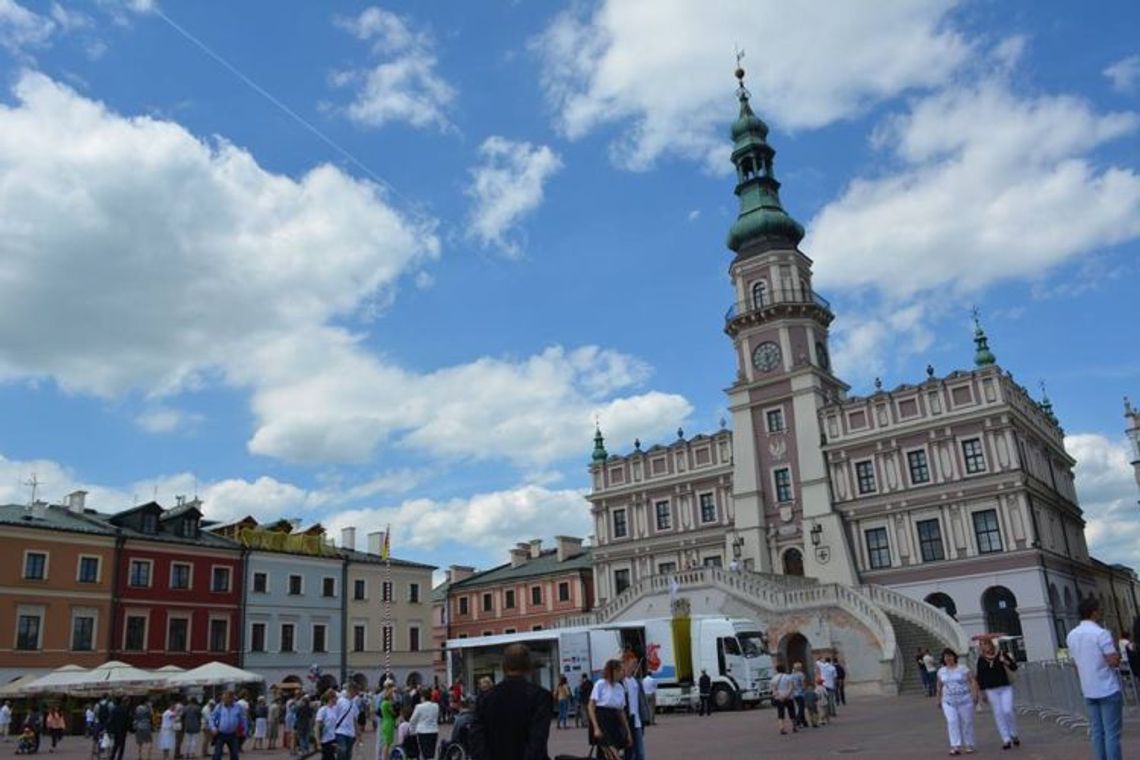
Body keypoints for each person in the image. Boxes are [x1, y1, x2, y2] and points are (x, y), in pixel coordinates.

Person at [1067, 597, 1123, 760]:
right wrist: (1117, 657)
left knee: (1097, 732)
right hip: (1107, 687)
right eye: (1099, 609)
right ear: (1094, 612)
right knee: (1112, 733)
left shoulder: (1072, 635)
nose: (1101, 612)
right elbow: (1113, 660)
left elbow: (1075, 663)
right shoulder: (1101, 633)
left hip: (1089, 688)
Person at [976, 638, 1020, 750]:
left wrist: (1004, 661)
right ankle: (1006, 739)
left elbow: (1014, 667)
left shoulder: (1001, 654)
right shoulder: (981, 660)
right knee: (998, 713)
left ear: (990, 644)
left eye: (985, 644)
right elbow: (980, 677)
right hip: (991, 689)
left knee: (1007, 710)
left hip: (1005, 687)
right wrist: (982, 693)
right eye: (981, 645)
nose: (983, 646)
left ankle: (1013, 733)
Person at [935, 648, 979, 756]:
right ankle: (955, 745)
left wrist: (975, 694)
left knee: (967, 722)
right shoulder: (941, 671)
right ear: (943, 659)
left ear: (954, 657)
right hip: (948, 701)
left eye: (950, 656)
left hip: (964, 699)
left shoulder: (963, 668)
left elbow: (972, 680)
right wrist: (938, 698)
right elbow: (939, 685)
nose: (948, 658)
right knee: (952, 722)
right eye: (946, 657)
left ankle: (969, 744)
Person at [585, 659, 630, 760]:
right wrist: (596, 727)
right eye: (621, 670)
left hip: (614, 722)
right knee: (612, 754)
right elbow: (591, 706)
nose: (623, 673)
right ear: (613, 671)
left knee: (605, 755)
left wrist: (628, 732)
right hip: (601, 720)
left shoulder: (620, 687)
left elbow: (621, 711)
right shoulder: (600, 684)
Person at [621, 654, 650, 760]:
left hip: (638, 721)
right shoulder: (621, 682)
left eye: (636, 663)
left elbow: (642, 701)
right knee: (629, 752)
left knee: (640, 753)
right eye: (633, 663)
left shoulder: (636, 681)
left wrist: (646, 716)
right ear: (625, 663)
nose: (635, 665)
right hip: (627, 721)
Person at [209, 690, 248, 760]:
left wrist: (244, 731)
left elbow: (243, 719)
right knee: (217, 754)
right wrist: (213, 728)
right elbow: (211, 718)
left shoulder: (238, 707)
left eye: (226, 698)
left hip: (233, 734)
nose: (224, 700)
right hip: (220, 734)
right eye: (224, 698)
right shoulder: (219, 707)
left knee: (234, 754)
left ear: (232, 698)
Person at [407, 688, 438, 760]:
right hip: (434, 730)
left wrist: (412, 730)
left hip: (422, 731)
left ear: (423, 697)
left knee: (423, 753)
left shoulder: (419, 707)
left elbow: (412, 720)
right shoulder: (436, 706)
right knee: (431, 753)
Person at [333, 685, 360, 760]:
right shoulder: (340, 701)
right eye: (354, 691)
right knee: (342, 751)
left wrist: (358, 734)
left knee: (348, 754)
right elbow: (335, 715)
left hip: (351, 733)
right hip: (340, 731)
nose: (355, 694)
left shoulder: (353, 704)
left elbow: (355, 720)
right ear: (350, 691)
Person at [769, 664, 795, 735]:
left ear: (776, 670)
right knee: (791, 711)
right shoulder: (788, 677)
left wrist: (779, 696)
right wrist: (786, 695)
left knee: (780, 713)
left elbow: (773, 690)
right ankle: (794, 726)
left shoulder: (774, 678)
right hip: (788, 697)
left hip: (779, 697)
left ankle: (782, 727)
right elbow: (791, 687)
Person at [315, 691, 339, 760]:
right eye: (335, 698)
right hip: (325, 740)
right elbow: (317, 727)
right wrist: (318, 742)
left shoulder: (335, 709)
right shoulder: (323, 710)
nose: (337, 699)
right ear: (331, 698)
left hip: (334, 738)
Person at [375, 685, 396, 760]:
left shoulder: (382, 701)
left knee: (383, 742)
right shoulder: (387, 703)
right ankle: (384, 757)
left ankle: (380, 757)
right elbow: (393, 713)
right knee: (386, 743)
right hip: (387, 722)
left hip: (383, 721)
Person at [789, 662, 807, 728]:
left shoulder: (791, 675)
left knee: (800, 707)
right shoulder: (801, 674)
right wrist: (805, 689)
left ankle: (804, 722)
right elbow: (803, 684)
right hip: (800, 693)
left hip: (794, 693)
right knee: (801, 708)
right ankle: (797, 720)